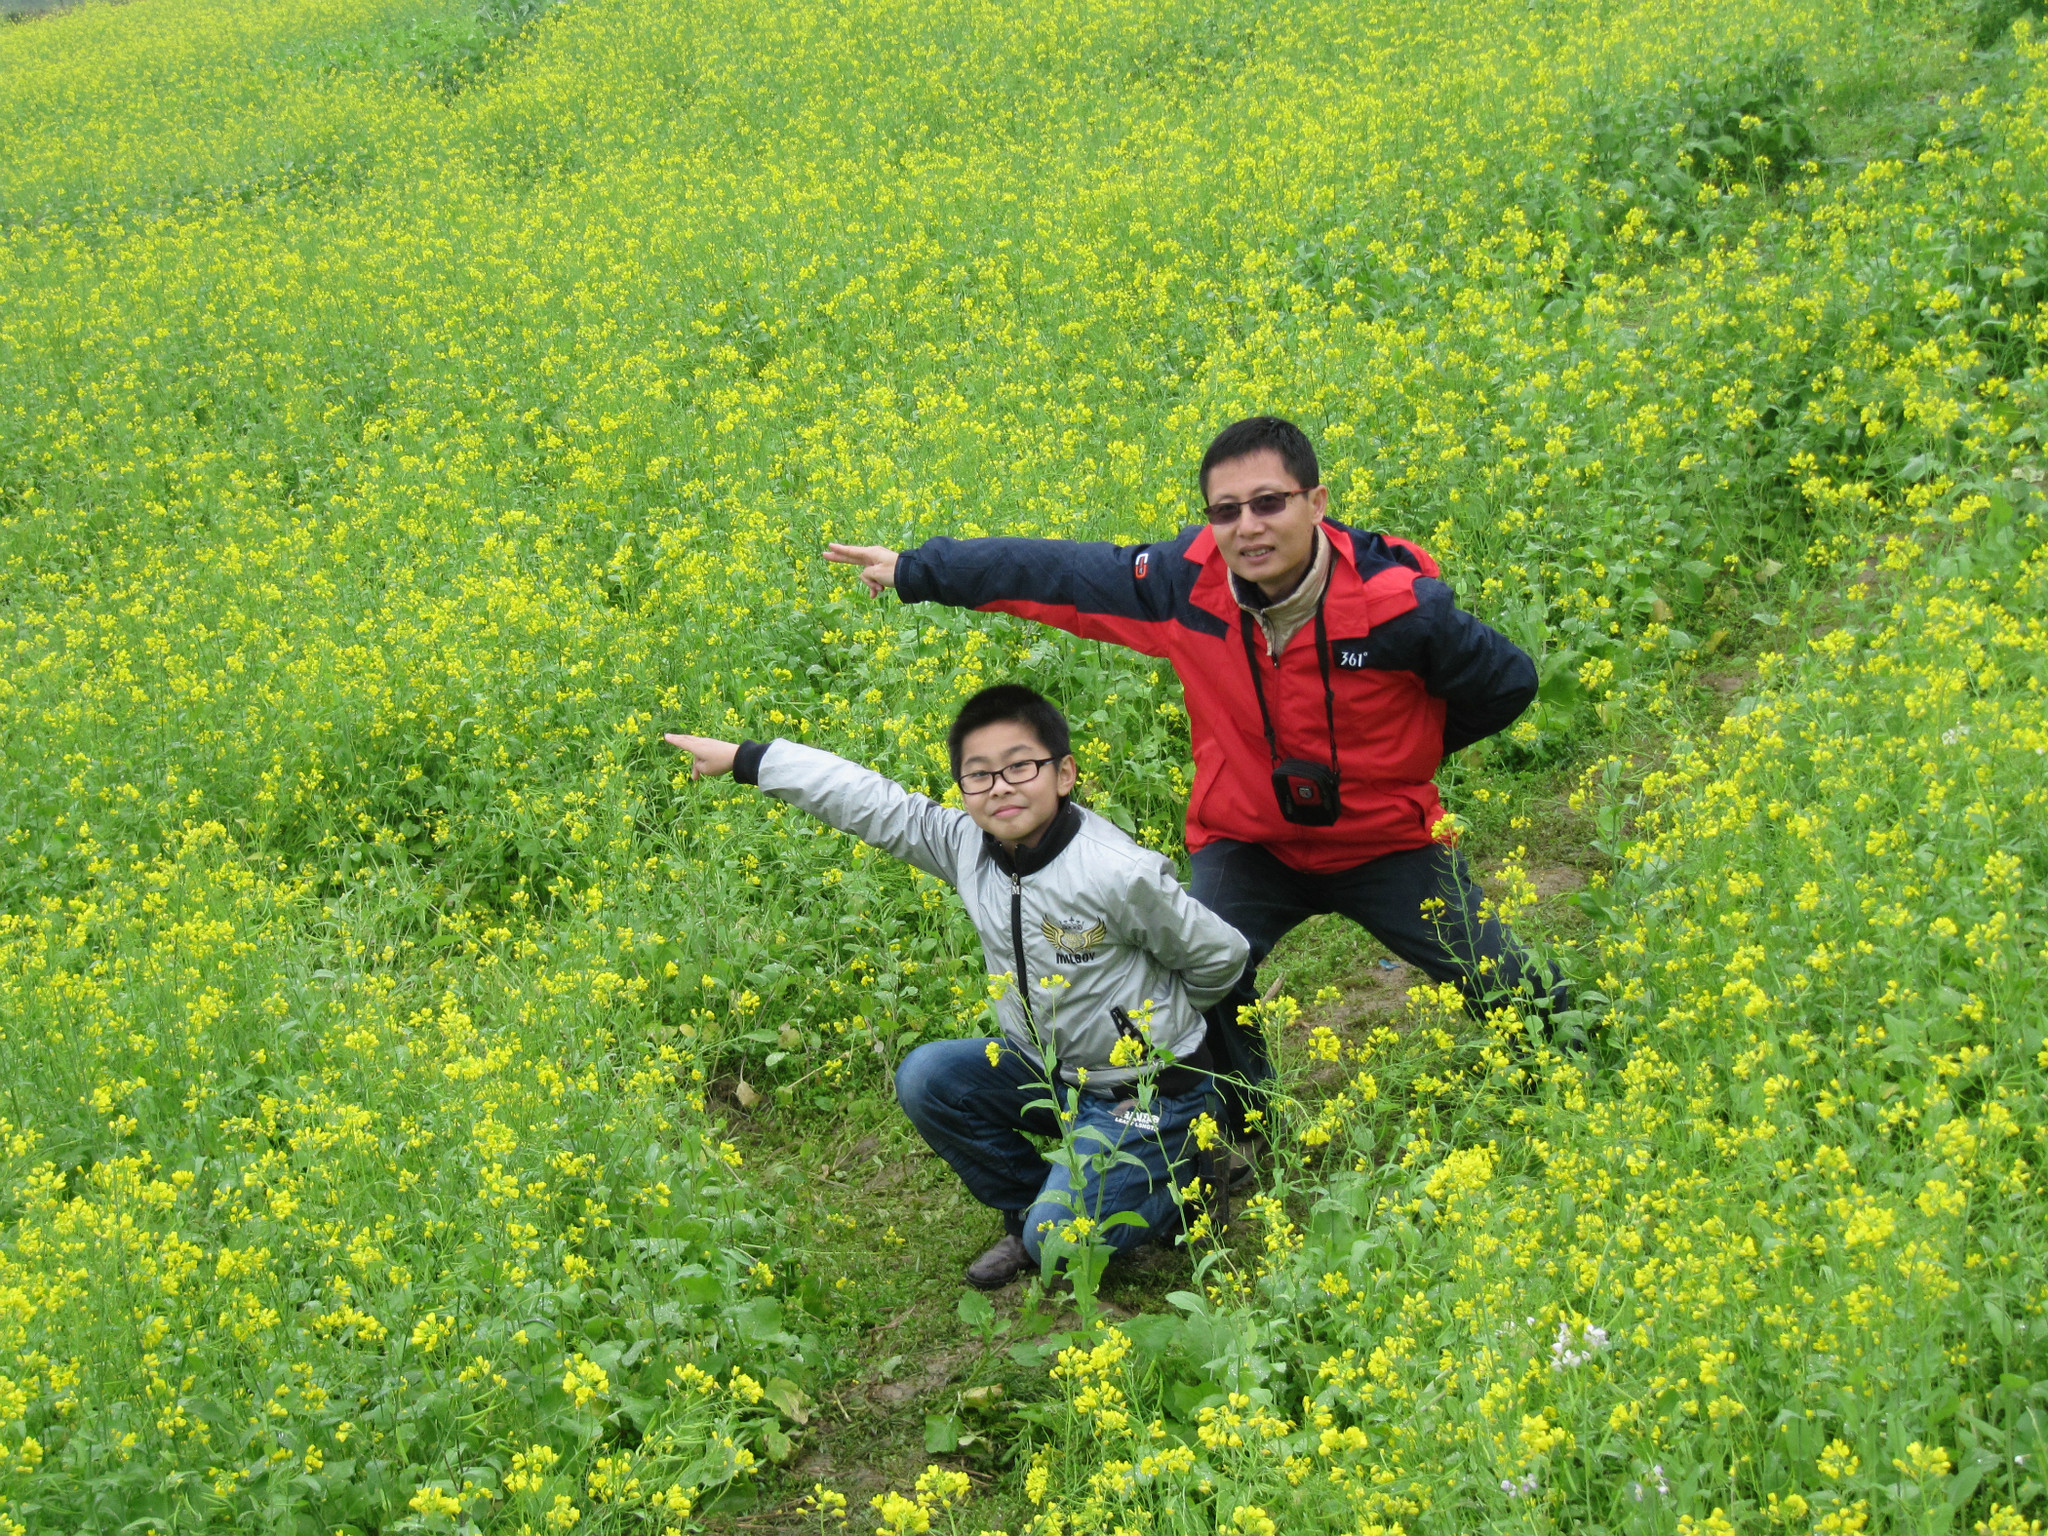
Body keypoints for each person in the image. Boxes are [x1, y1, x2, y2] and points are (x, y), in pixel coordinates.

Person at [824, 415, 1560, 1129]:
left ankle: (1569, 1078)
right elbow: (1063, 574)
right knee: (1193, 974)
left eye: (1270, 503)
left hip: (1385, 840)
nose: (1249, 527)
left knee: (1507, 984)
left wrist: (1401, 761)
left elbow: (1508, 683)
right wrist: (918, 570)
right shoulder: (1187, 585)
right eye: (1226, 511)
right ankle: (1244, 1128)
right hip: (1248, 840)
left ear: (1316, 503)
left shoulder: (1399, 609)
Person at [663, 684, 1248, 1291]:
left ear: (1064, 773)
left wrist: (1150, 1037)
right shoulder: (966, 847)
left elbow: (1220, 959)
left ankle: (1190, 1173)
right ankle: (1029, 1208)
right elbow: (872, 802)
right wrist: (749, 759)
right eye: (979, 775)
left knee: (1059, 1244)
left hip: (1148, 1095)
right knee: (928, 1077)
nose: (1001, 786)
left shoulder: (1117, 872)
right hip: (1052, 1072)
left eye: (1021, 766)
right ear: (964, 789)